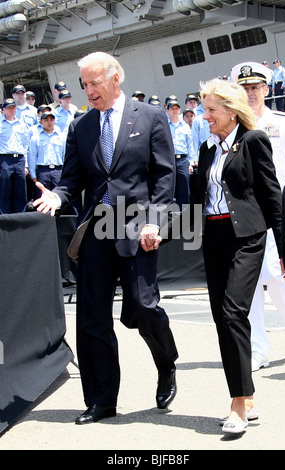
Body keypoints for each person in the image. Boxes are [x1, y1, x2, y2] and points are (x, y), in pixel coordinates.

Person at [33, 51, 178, 424]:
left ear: (115, 79)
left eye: (94, 82)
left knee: (143, 308)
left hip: (139, 226)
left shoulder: (150, 116)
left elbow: (164, 176)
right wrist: (57, 196)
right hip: (97, 230)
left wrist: (156, 221)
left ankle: (167, 363)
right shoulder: (80, 126)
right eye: (84, 83)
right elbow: (71, 180)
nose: (88, 90)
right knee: (93, 317)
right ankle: (101, 400)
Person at [192, 78, 284, 435]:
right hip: (213, 239)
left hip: (246, 238)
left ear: (232, 111)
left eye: (212, 110)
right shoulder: (206, 149)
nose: (206, 116)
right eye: (204, 109)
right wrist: (164, 234)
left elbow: (272, 196)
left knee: (233, 313)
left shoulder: (254, 140)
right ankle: (248, 398)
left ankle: (238, 405)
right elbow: (196, 202)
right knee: (223, 319)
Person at [231, 61, 285, 372]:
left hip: (281, 217)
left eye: (255, 87)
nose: (250, 93)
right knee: (250, 288)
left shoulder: (284, 124)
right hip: (246, 220)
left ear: (267, 89)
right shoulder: (232, 128)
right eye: (244, 88)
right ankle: (257, 350)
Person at [0, 98, 29, 214]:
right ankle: (4, 217)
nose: (12, 110)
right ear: (3, 110)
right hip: (4, 158)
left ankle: (20, 216)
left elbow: (25, 145)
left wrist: (25, 164)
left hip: (19, 159)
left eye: (14, 107)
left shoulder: (21, 124)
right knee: (4, 188)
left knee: (20, 190)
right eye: (9, 108)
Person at [167, 100, 196, 209]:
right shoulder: (165, 126)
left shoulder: (185, 126)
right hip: (169, 160)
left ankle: (184, 214)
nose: (175, 111)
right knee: (169, 187)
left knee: (184, 187)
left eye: (176, 108)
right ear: (168, 110)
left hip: (183, 160)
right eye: (172, 108)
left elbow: (190, 145)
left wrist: (191, 163)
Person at [28, 111, 65, 199]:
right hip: (43, 171)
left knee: (58, 197)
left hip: (58, 170)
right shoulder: (35, 138)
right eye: (46, 120)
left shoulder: (61, 137)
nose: (49, 122)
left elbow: (64, 155)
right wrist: (33, 174)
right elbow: (32, 157)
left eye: (51, 119)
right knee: (42, 196)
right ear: (41, 122)